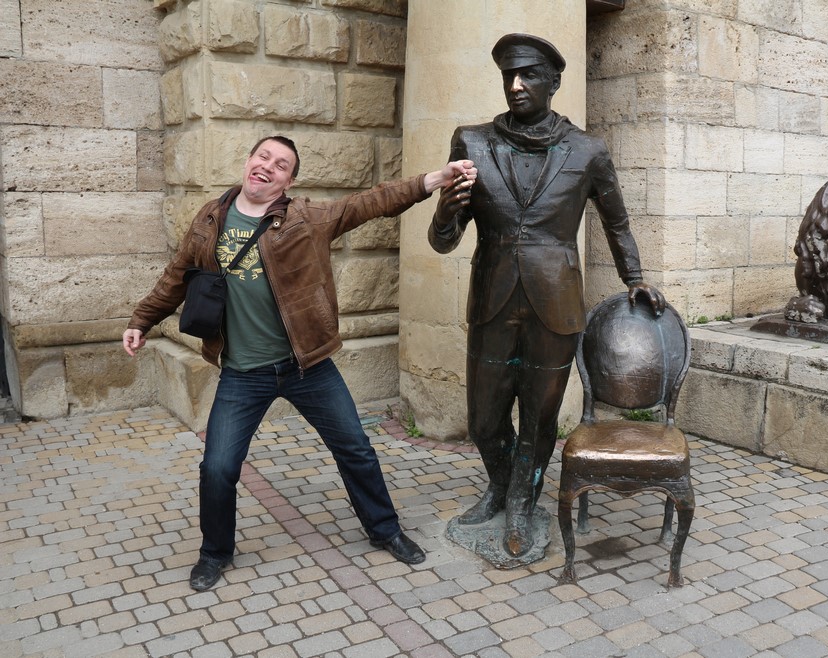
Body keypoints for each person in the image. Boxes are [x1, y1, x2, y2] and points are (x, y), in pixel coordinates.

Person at [124, 135, 476, 591]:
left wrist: (436, 179)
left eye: (281, 165)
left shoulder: (305, 218)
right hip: (243, 374)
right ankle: (214, 553)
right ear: (248, 161)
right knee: (217, 467)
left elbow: (371, 202)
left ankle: (385, 530)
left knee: (356, 449)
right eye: (263, 157)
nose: (268, 166)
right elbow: (176, 276)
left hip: (307, 367)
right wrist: (142, 320)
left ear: (288, 182)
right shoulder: (210, 219)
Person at [429, 34, 664, 558]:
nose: (516, 85)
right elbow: (443, 241)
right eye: (508, 76)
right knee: (484, 419)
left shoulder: (587, 149)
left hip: (556, 302)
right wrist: (447, 209)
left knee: (538, 417)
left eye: (529, 75)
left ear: (554, 82)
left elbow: (617, 222)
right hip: (492, 299)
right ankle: (499, 485)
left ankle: (519, 502)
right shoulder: (471, 142)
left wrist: (634, 277)